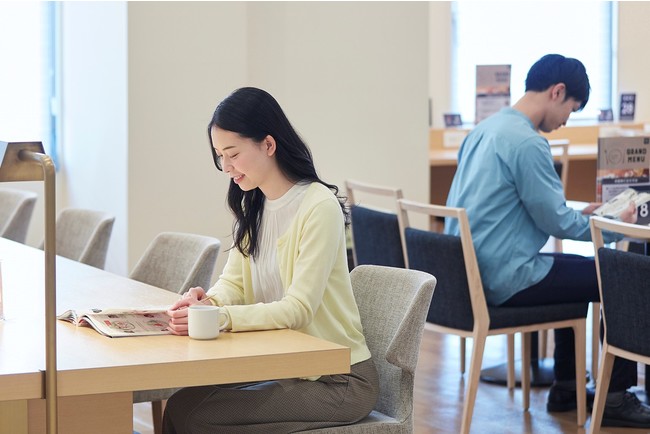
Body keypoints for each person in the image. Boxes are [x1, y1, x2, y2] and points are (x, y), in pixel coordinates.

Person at [445, 54, 650, 428]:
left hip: (471, 270)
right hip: (506, 276)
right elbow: (557, 222)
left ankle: (567, 389)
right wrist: (617, 223)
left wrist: (588, 215)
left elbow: (533, 208)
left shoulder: (485, 130)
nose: (566, 121)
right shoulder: (528, 143)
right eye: (570, 109)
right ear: (558, 92)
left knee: (582, 272)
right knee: (617, 278)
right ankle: (618, 396)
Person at [162, 87, 379, 434]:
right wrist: (207, 303)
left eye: (232, 153)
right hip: (288, 366)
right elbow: (234, 283)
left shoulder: (318, 206)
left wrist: (221, 318)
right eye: (220, 156)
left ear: (268, 144)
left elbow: (298, 309)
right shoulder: (255, 204)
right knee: (181, 405)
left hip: (338, 379)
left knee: (200, 418)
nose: (226, 167)